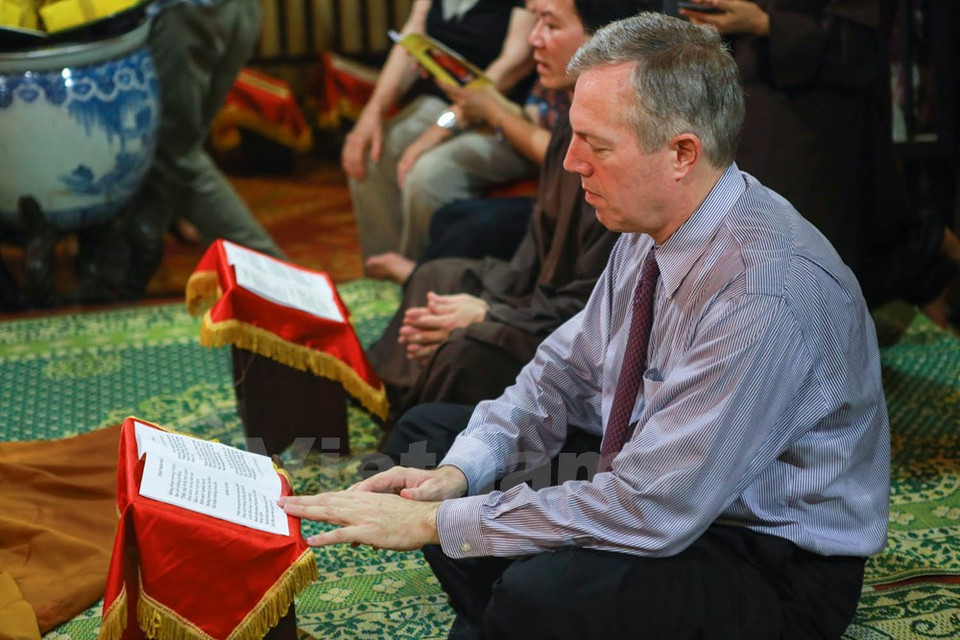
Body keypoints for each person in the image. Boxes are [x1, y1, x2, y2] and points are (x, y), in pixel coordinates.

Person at [281, 13, 890, 640]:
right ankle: (512, 614)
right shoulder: (652, 222)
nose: (572, 163)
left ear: (683, 153)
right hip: (665, 486)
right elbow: (562, 374)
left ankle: (520, 610)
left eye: (596, 146)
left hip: (768, 559)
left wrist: (443, 524)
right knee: (429, 443)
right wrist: (457, 478)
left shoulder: (766, 293)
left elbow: (654, 506)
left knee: (541, 586)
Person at [366, 0, 643, 419]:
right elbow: (536, 258)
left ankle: (418, 429)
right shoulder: (571, 117)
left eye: (549, 25)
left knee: (465, 347)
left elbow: (594, 306)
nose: (534, 38)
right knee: (437, 276)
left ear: (602, 37)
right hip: (542, 303)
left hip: (582, 337)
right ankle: (385, 398)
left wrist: (490, 316)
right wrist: (492, 305)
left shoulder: (623, 145)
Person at [679, 0, 959, 328]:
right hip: (741, 111)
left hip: (810, 123)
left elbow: (859, 49)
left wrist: (764, 24)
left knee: (796, 263)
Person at [346, 0, 537, 269]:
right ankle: (384, 275)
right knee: (371, 154)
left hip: (507, 107)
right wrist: (372, 112)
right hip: (444, 103)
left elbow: (517, 61)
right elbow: (411, 39)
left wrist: (440, 129)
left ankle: (419, 278)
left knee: (425, 174)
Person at [120, 0, 286, 297]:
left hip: (184, 15)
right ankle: (119, 274)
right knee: (175, 153)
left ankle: (278, 278)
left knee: (172, 156)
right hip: (233, 12)